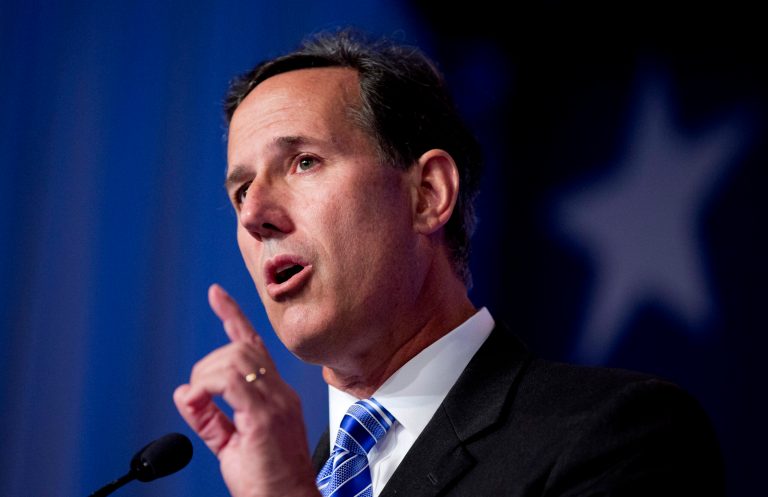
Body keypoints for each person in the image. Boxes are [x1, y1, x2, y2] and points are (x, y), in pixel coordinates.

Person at [173, 29, 725, 497]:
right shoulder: (293, 473)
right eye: (241, 191)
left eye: (304, 162)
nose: (255, 215)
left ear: (427, 195)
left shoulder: (618, 435)